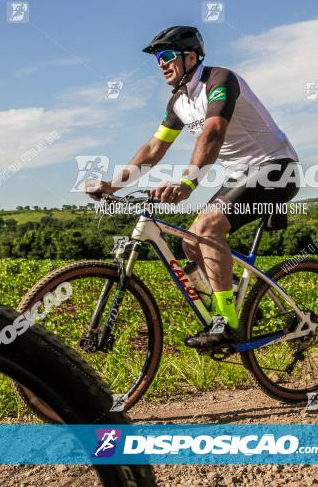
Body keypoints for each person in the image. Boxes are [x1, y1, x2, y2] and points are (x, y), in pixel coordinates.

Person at [86, 25, 300, 347]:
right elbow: (153, 150)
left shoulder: (220, 80)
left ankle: (226, 322)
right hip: (241, 174)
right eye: (158, 58)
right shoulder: (178, 102)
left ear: (191, 56)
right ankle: (236, 308)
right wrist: (112, 186)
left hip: (276, 167)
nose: (161, 63)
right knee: (190, 243)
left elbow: (212, 133)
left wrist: (187, 183)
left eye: (167, 55)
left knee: (208, 228)